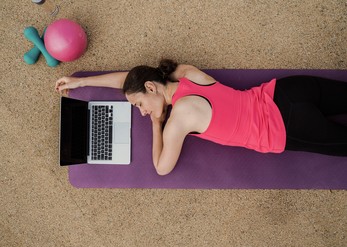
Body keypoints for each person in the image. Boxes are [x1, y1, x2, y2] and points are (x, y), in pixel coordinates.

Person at [55, 59, 347, 175]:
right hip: (287, 90)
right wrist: (81, 82)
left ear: (150, 87)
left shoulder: (177, 123)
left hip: (288, 128)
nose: (142, 111)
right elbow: (132, 80)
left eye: (139, 104)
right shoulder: (186, 73)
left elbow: (161, 167)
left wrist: (157, 124)